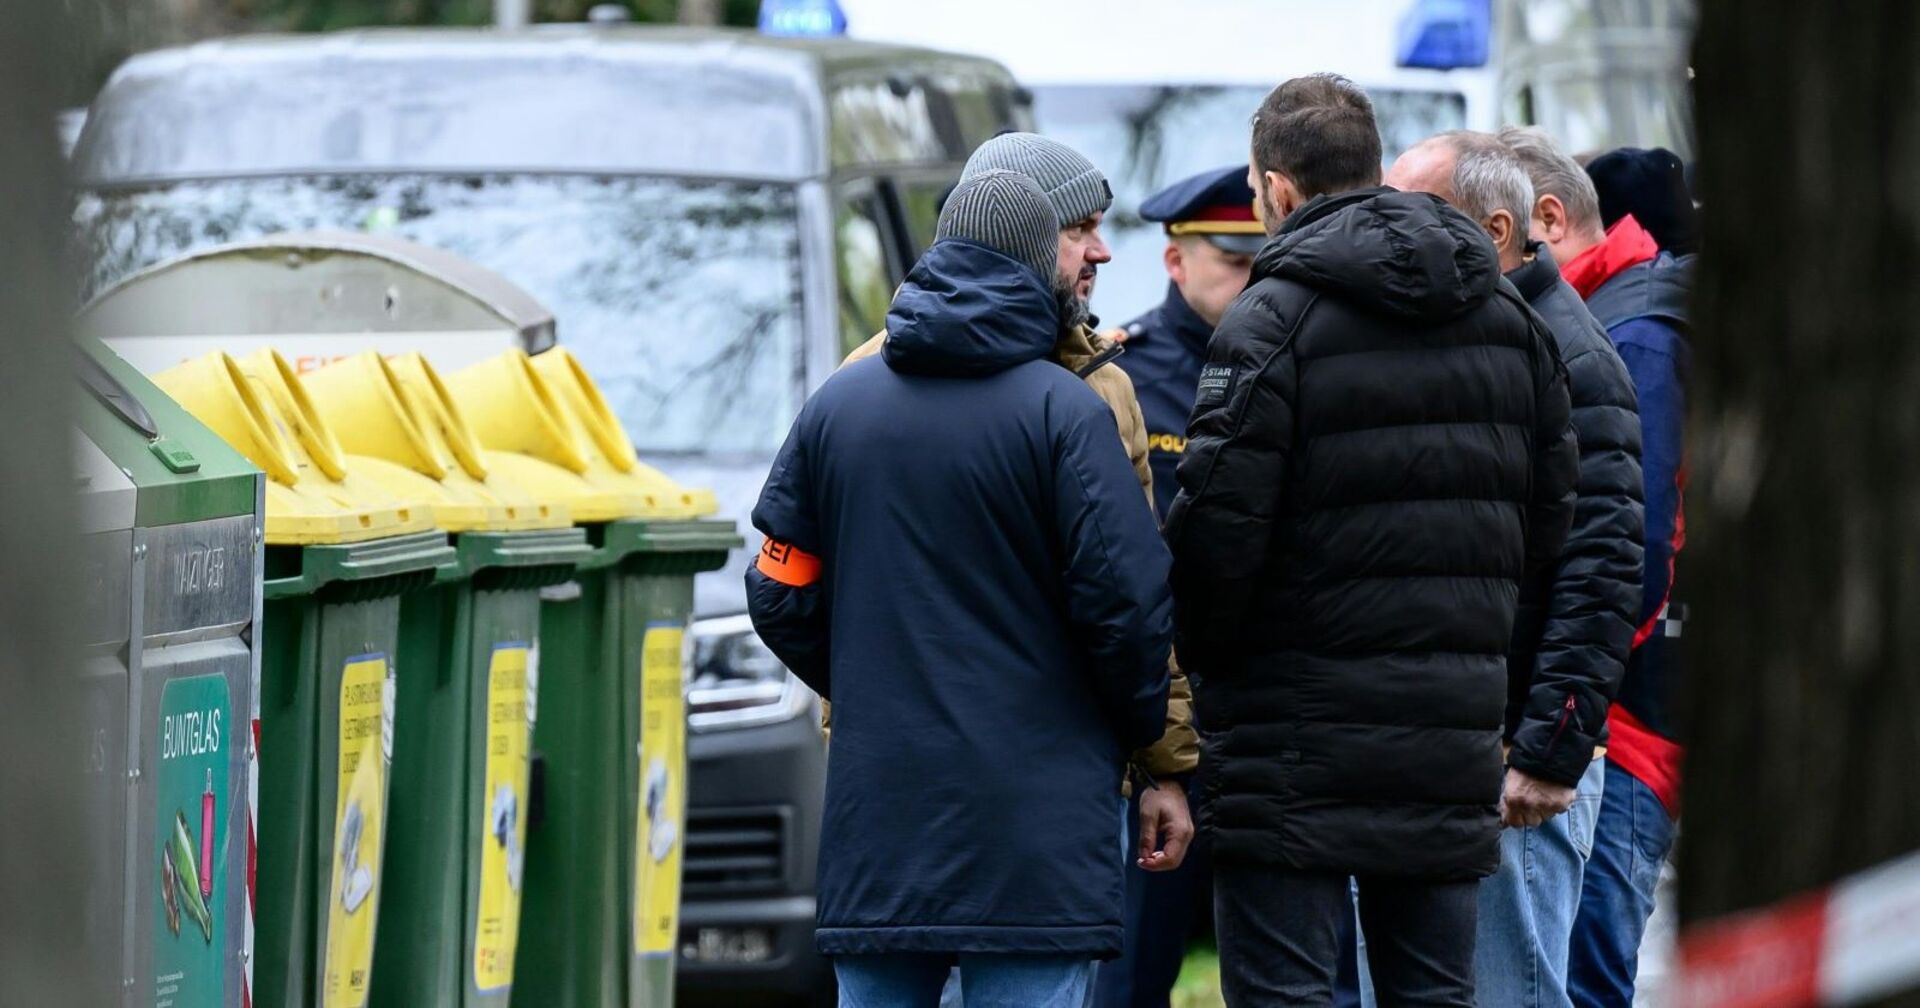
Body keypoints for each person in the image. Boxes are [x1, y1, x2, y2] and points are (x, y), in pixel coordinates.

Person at [1164, 74, 1578, 1006]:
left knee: (1288, 993)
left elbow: (1214, 540)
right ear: (1375, 168)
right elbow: (1552, 522)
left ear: (1274, 187)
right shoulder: (1510, 319)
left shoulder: (1272, 319)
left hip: (1289, 739)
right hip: (1447, 733)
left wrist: (1213, 679)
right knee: (1433, 995)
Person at [747, 169, 1174, 1008]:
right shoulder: (1065, 411)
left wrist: (869, 683)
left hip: (884, 817)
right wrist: (1125, 734)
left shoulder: (841, 405)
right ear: (1030, 262)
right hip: (1037, 823)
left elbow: (779, 584)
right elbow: (1127, 606)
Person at [840, 132, 1201, 882]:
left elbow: (1137, 598)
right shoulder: (867, 383)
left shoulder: (1105, 385)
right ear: (1018, 238)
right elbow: (811, 581)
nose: (1101, 253)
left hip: (1041, 772)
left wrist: (1158, 764)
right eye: (1079, 231)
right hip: (940, 776)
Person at [1385, 130, 1645, 1008]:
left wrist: (1549, 751)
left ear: (1497, 230)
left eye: (1413, 214)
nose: (1388, 234)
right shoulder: (1478, 340)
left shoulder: (1572, 359)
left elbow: (1604, 568)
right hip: (1458, 748)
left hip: (1517, 766)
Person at [1501, 128, 1694, 1008]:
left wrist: (1572, 704)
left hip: (1621, 724)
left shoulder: (1634, 333)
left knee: (1580, 977)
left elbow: (1637, 547)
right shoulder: (1617, 314)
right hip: (1609, 712)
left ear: (1545, 218)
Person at [1093, 164, 1257, 1008]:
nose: (1252, 277)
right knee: (1131, 973)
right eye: (1233, 259)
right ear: (1174, 262)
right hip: (1162, 716)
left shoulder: (1293, 362)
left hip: (1262, 717)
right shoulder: (1121, 375)